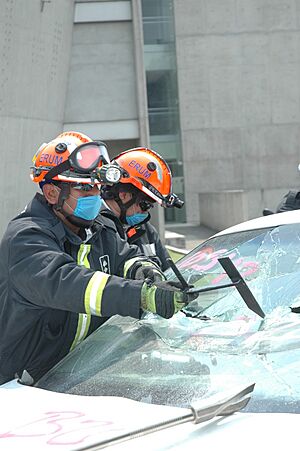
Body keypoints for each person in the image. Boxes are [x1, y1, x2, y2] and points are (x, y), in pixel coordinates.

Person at [0, 131, 196, 385]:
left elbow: (126, 257)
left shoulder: (95, 230)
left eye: (96, 187)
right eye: (84, 189)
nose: (94, 196)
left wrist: (146, 272)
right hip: (18, 387)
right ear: (51, 193)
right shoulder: (26, 239)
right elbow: (72, 284)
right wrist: (142, 296)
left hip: (69, 378)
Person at [100, 147, 184, 271]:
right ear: (123, 195)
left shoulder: (146, 230)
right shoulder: (95, 228)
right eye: (145, 204)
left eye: (151, 205)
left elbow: (168, 270)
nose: (146, 211)